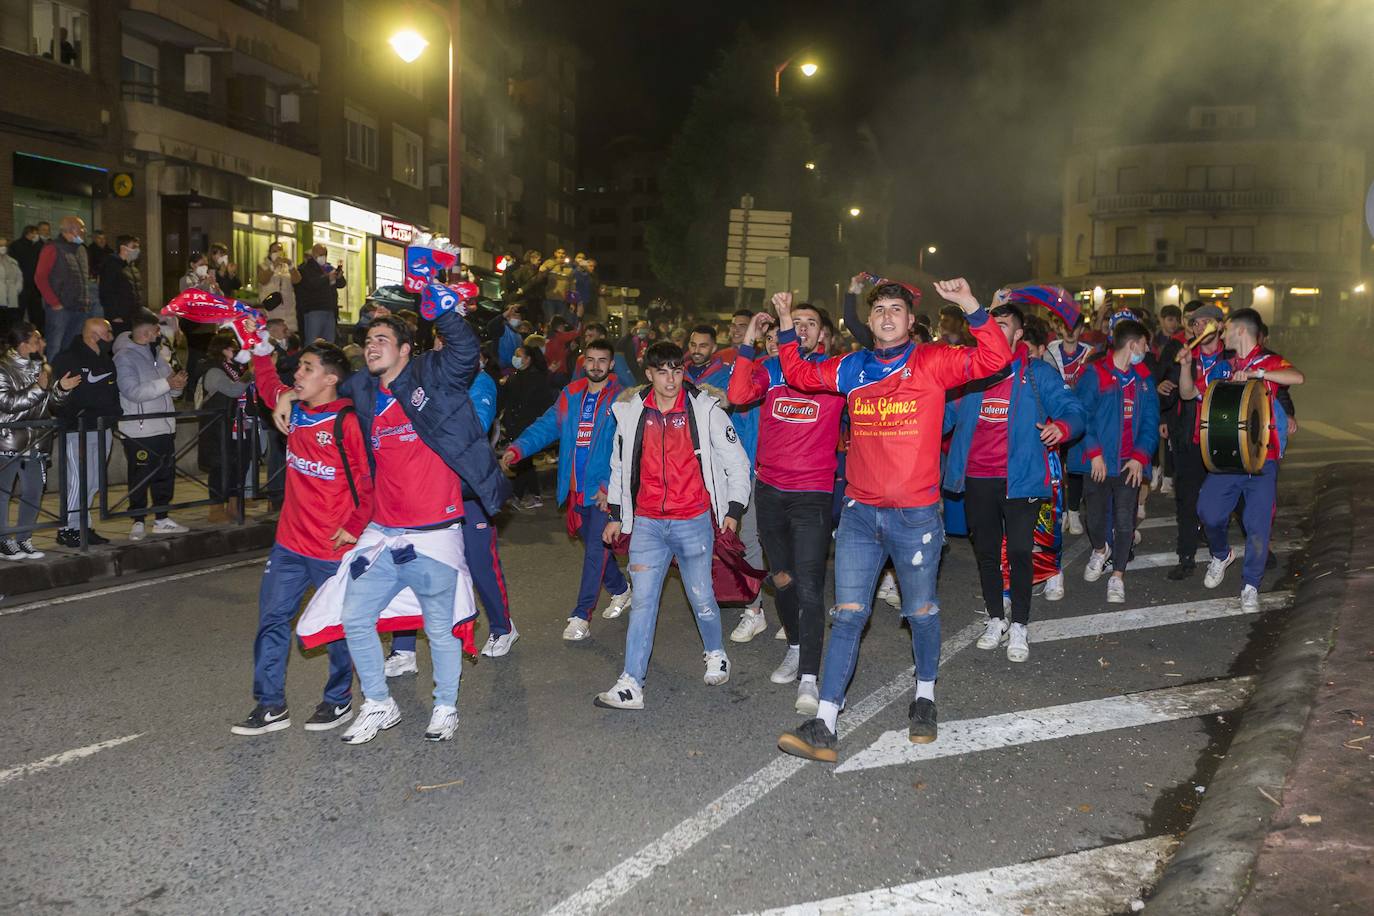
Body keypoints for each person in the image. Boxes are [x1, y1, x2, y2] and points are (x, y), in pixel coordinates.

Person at [773, 278, 1011, 763]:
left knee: (921, 613)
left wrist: (969, 304)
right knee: (848, 617)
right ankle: (825, 724)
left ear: (909, 320)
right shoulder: (853, 366)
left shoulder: (933, 361)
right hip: (860, 515)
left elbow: (994, 359)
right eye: (878, 308)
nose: (886, 316)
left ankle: (924, 700)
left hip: (916, 517)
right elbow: (799, 374)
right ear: (870, 318)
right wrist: (782, 325)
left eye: (895, 309)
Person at [277, 303, 509, 745]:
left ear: (406, 350)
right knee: (354, 615)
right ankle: (379, 703)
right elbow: (323, 383)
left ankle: (445, 707)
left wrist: (438, 303)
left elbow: (463, 349)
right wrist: (287, 394)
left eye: (383, 340)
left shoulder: (433, 382)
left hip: (435, 534)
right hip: (383, 534)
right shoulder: (365, 393)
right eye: (368, 341)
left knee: (439, 629)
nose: (371, 347)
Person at [593, 341, 753, 710]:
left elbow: (736, 462)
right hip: (648, 524)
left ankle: (716, 652)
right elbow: (621, 467)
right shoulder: (630, 412)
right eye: (662, 371)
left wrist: (733, 508)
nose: (671, 379)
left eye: (677, 370)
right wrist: (617, 515)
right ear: (648, 374)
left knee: (701, 596)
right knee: (644, 602)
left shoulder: (705, 409)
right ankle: (631, 682)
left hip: (693, 520)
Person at [231, 338, 371, 736]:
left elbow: (370, 481)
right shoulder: (295, 410)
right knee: (272, 620)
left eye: (307, 368)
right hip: (289, 545)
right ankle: (270, 704)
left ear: (330, 378)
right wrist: (256, 342)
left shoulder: (348, 423)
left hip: (333, 549)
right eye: (299, 368)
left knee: (337, 628)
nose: (298, 373)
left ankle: (339, 698)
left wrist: (356, 527)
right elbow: (265, 377)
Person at [943, 302, 1084, 661]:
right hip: (977, 478)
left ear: (1018, 334)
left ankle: (1019, 624)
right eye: (990, 324)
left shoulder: (1036, 374)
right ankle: (995, 618)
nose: (994, 330)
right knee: (987, 554)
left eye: (1002, 325)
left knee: (1020, 552)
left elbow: (1074, 410)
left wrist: (1061, 427)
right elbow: (940, 417)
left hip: (1020, 478)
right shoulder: (969, 373)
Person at [727, 304, 845, 714]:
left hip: (812, 494)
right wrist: (749, 339)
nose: (804, 329)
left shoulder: (834, 373)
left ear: (824, 335)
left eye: (812, 323)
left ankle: (810, 677)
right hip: (770, 492)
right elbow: (739, 394)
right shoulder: (772, 370)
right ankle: (795, 647)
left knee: (810, 585)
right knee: (781, 578)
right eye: (796, 323)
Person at [387, 329, 520, 665]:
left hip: (466, 489)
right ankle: (403, 649)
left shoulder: (481, 382)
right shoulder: (416, 380)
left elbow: (472, 425)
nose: (442, 348)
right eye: (438, 342)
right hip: (425, 490)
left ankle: (503, 627)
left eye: (450, 343)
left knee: (479, 563)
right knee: (411, 564)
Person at [501, 338, 631, 641]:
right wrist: (517, 449)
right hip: (575, 488)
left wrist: (609, 487)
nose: (596, 366)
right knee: (595, 547)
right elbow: (546, 427)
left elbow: (626, 447)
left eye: (603, 361)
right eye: (591, 360)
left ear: (611, 365)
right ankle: (622, 590)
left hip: (603, 490)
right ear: (583, 362)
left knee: (595, 552)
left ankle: (581, 615)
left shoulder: (623, 400)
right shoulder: (571, 395)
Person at [1186, 308, 1304, 612]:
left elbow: (1297, 377)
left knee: (1258, 524)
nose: (1221, 335)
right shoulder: (1222, 367)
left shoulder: (1268, 362)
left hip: (1264, 457)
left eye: (1226, 330)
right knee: (1208, 512)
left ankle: (1251, 584)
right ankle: (1221, 553)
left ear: (1240, 331)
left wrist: (1258, 374)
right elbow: (1189, 394)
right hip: (1228, 457)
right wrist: (1186, 366)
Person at [684, 322, 767, 641]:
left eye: (703, 345)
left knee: (745, 539)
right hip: (695, 478)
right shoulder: (683, 374)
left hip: (733, 474)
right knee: (702, 541)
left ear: (713, 347)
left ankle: (755, 610)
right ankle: (713, 600)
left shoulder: (730, 377)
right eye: (693, 344)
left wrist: (744, 474)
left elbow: (744, 426)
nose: (696, 350)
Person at [1072, 319, 1159, 604]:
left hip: (1128, 465)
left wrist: (1139, 457)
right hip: (1099, 463)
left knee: (1125, 521)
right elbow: (1082, 414)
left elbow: (1150, 422)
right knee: (1094, 520)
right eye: (1145, 344)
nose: (1147, 350)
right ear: (1133, 345)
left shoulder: (1144, 380)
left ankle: (1118, 576)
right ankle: (1100, 550)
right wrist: (1094, 452)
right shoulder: (1095, 374)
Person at [1156, 302, 1227, 579]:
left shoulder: (1232, 355)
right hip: (1190, 438)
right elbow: (1167, 387)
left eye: (1206, 322)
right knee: (1186, 500)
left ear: (1220, 326)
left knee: (1234, 497)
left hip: (1224, 438)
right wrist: (1161, 396)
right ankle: (1186, 557)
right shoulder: (1184, 353)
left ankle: (1247, 544)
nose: (1199, 327)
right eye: (1195, 323)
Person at [0, 323, 80, 558]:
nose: (42, 343)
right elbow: (8, 404)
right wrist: (38, 388)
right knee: (3, 494)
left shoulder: (42, 367)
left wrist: (61, 390)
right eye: (37, 340)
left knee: (34, 492)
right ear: (23, 345)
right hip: (8, 442)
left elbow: (51, 405)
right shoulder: (3, 369)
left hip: (37, 441)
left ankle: (24, 538)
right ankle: (3, 541)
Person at [114, 309, 190, 541]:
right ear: (147, 333)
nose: (160, 334)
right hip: (140, 428)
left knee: (164, 474)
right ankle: (137, 521)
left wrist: (177, 385)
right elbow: (132, 392)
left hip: (164, 426)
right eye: (157, 330)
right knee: (140, 475)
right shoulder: (124, 357)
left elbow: (171, 391)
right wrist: (167, 383)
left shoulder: (157, 354)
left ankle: (161, 518)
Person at [50, 317, 118, 547]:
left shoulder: (106, 360)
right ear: (95, 336)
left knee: (94, 481)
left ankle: (83, 526)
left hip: (102, 427)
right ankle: (68, 528)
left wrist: (113, 417)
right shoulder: (67, 359)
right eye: (108, 334)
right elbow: (59, 397)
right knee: (78, 480)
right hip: (77, 430)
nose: (112, 338)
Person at [195, 330, 252, 523]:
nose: (237, 352)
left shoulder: (236, 369)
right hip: (219, 426)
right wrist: (250, 375)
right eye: (233, 348)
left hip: (239, 423)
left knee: (240, 464)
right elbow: (233, 390)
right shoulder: (213, 370)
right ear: (223, 350)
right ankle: (216, 508)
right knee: (220, 466)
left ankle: (234, 506)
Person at [1044, 310, 1093, 535]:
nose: (1070, 331)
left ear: (1082, 329)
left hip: (1078, 415)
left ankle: (1073, 511)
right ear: (1058, 327)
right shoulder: (1050, 351)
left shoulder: (1090, 353)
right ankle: (1060, 512)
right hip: (1055, 414)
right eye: (1065, 326)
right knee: (1055, 464)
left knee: (1074, 466)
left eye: (1075, 327)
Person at [498, 344, 556, 509]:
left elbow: (544, 404)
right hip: (516, 424)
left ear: (528, 359)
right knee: (525, 460)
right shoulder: (515, 376)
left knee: (524, 460)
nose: (515, 358)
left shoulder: (536, 378)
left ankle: (519, 494)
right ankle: (531, 495)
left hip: (529, 425)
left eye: (519, 355)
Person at [34, 216, 92, 355]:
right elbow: (40, 277)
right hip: (60, 309)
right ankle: (52, 376)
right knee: (55, 345)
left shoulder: (81, 249)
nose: (84, 231)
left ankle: (67, 374)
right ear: (72, 229)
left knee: (71, 347)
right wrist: (54, 302)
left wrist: (86, 299)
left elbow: (83, 278)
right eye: (82, 228)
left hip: (79, 307)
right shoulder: (52, 248)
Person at [293, 245, 346, 345]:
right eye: (320, 254)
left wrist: (339, 277)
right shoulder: (305, 269)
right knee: (312, 341)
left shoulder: (328, 267)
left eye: (325, 254)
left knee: (329, 342)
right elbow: (311, 284)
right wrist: (327, 278)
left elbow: (341, 284)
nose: (323, 257)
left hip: (330, 309)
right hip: (314, 310)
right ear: (313, 254)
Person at [97, 235, 144, 336]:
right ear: (123, 248)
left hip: (133, 316)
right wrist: (114, 315)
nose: (137, 250)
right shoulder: (111, 265)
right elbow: (106, 291)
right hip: (119, 318)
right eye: (134, 247)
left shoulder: (132, 267)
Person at [256, 241, 296, 330]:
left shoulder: (287, 267)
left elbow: (297, 280)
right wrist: (273, 266)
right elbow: (263, 280)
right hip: (271, 309)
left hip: (288, 312)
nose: (277, 253)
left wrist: (291, 266)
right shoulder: (263, 266)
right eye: (274, 251)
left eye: (279, 250)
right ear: (269, 253)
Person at [11, 226, 43, 330]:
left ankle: (37, 332)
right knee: (19, 311)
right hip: (21, 284)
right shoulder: (16, 245)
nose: (36, 236)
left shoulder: (38, 246)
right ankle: (17, 335)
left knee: (36, 313)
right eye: (34, 233)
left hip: (35, 285)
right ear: (28, 233)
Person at [0, 235, 22, 331]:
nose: (3, 248)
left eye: (5, 245)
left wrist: (16, 289)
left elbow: (19, 277)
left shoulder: (12, 261)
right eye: (1, 245)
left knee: (10, 324)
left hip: (12, 297)